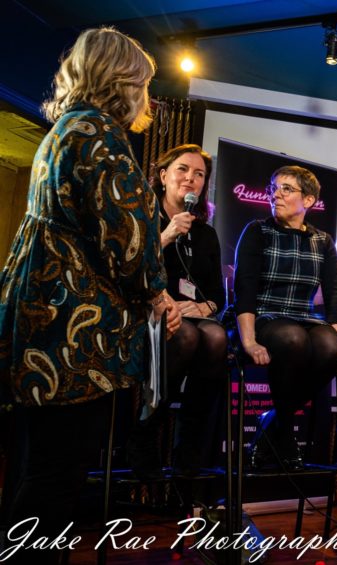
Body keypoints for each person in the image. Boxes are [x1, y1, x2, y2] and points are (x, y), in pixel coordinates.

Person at [0, 27, 179, 563]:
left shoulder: (65, 130)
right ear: (123, 80)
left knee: (34, 466)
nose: (146, 96)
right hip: (73, 333)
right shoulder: (102, 137)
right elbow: (128, 247)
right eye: (144, 83)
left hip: (39, 315)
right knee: (58, 476)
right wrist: (158, 295)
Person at [234, 165, 337, 471]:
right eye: (274, 188)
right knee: (292, 339)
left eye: (286, 189)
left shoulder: (322, 240)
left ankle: (273, 420)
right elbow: (244, 290)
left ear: (308, 200)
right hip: (265, 315)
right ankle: (284, 436)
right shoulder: (258, 231)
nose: (276, 195)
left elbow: (335, 296)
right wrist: (249, 340)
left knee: (331, 349)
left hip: (304, 316)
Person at [126, 144, 227, 478]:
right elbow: (129, 266)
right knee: (183, 335)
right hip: (145, 314)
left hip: (192, 316)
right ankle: (146, 426)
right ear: (164, 175)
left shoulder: (205, 233)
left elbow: (216, 295)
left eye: (199, 175)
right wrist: (166, 235)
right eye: (183, 169)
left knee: (215, 337)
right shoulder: (142, 216)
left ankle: (189, 454)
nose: (191, 179)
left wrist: (203, 305)